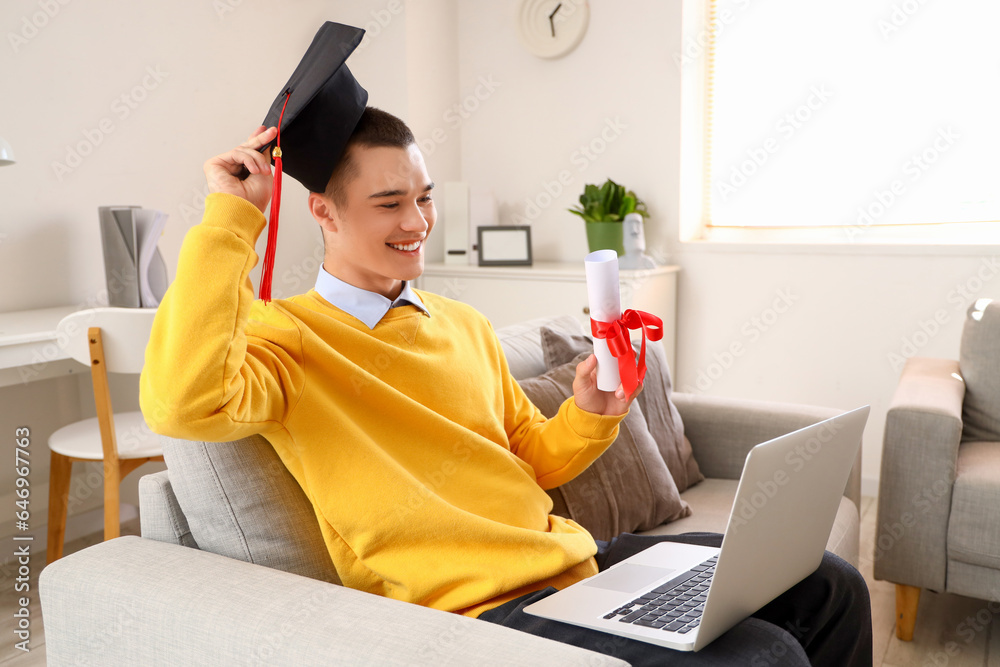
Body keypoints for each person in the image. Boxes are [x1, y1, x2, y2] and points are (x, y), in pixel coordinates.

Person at [139, 22, 872, 667]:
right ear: (322, 211)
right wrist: (230, 221)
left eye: (423, 196)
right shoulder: (287, 339)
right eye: (389, 203)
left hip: (575, 569)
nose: (417, 222)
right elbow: (181, 402)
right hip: (481, 619)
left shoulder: (462, 325)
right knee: (766, 653)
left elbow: (535, 458)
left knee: (830, 584)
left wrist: (590, 410)